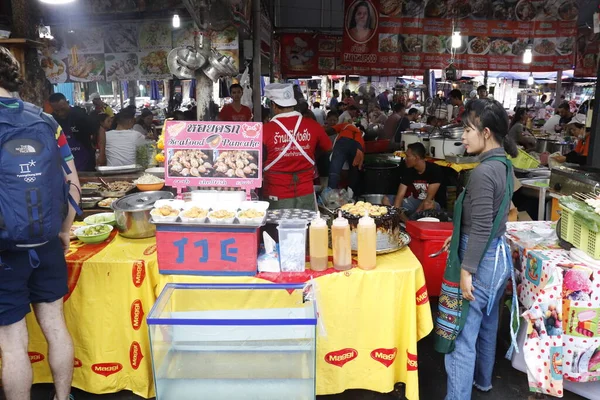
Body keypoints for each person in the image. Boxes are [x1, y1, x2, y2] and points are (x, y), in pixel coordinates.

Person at [0, 45, 79, 400]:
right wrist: (64, 230)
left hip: (4, 250)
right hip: (47, 243)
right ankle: (64, 398)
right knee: (56, 326)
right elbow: (72, 182)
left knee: (13, 346)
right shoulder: (47, 120)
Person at [437, 98, 519, 400]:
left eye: (467, 129)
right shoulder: (504, 164)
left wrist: (467, 270)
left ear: (485, 132)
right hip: (497, 256)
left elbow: (483, 225)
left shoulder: (484, 172)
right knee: (487, 323)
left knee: (461, 336)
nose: (462, 136)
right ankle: (483, 381)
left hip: (480, 258)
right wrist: (456, 235)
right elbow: (498, 213)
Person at [262, 83, 332, 210]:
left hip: (276, 194)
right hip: (305, 193)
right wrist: (310, 153)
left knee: (278, 229)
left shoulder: (265, 130)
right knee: (304, 228)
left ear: (273, 106)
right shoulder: (313, 125)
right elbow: (328, 147)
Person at [49, 92, 97, 172]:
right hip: (64, 163)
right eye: (56, 111)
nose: (60, 113)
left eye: (63, 109)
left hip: (85, 161)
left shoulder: (79, 115)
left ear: (67, 103)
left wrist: (101, 153)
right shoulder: (52, 120)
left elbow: (99, 129)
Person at [391, 142, 442, 215]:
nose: (405, 159)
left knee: (428, 204)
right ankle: (405, 222)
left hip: (430, 204)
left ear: (416, 158)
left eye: (407, 156)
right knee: (387, 200)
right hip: (414, 202)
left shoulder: (434, 170)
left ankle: (416, 222)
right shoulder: (408, 170)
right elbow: (400, 195)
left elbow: (429, 198)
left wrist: (414, 217)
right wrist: (395, 214)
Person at [327, 119, 365, 193]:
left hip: (343, 142)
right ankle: (351, 195)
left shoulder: (346, 125)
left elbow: (330, 130)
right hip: (359, 146)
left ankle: (330, 195)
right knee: (354, 171)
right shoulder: (361, 136)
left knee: (334, 171)